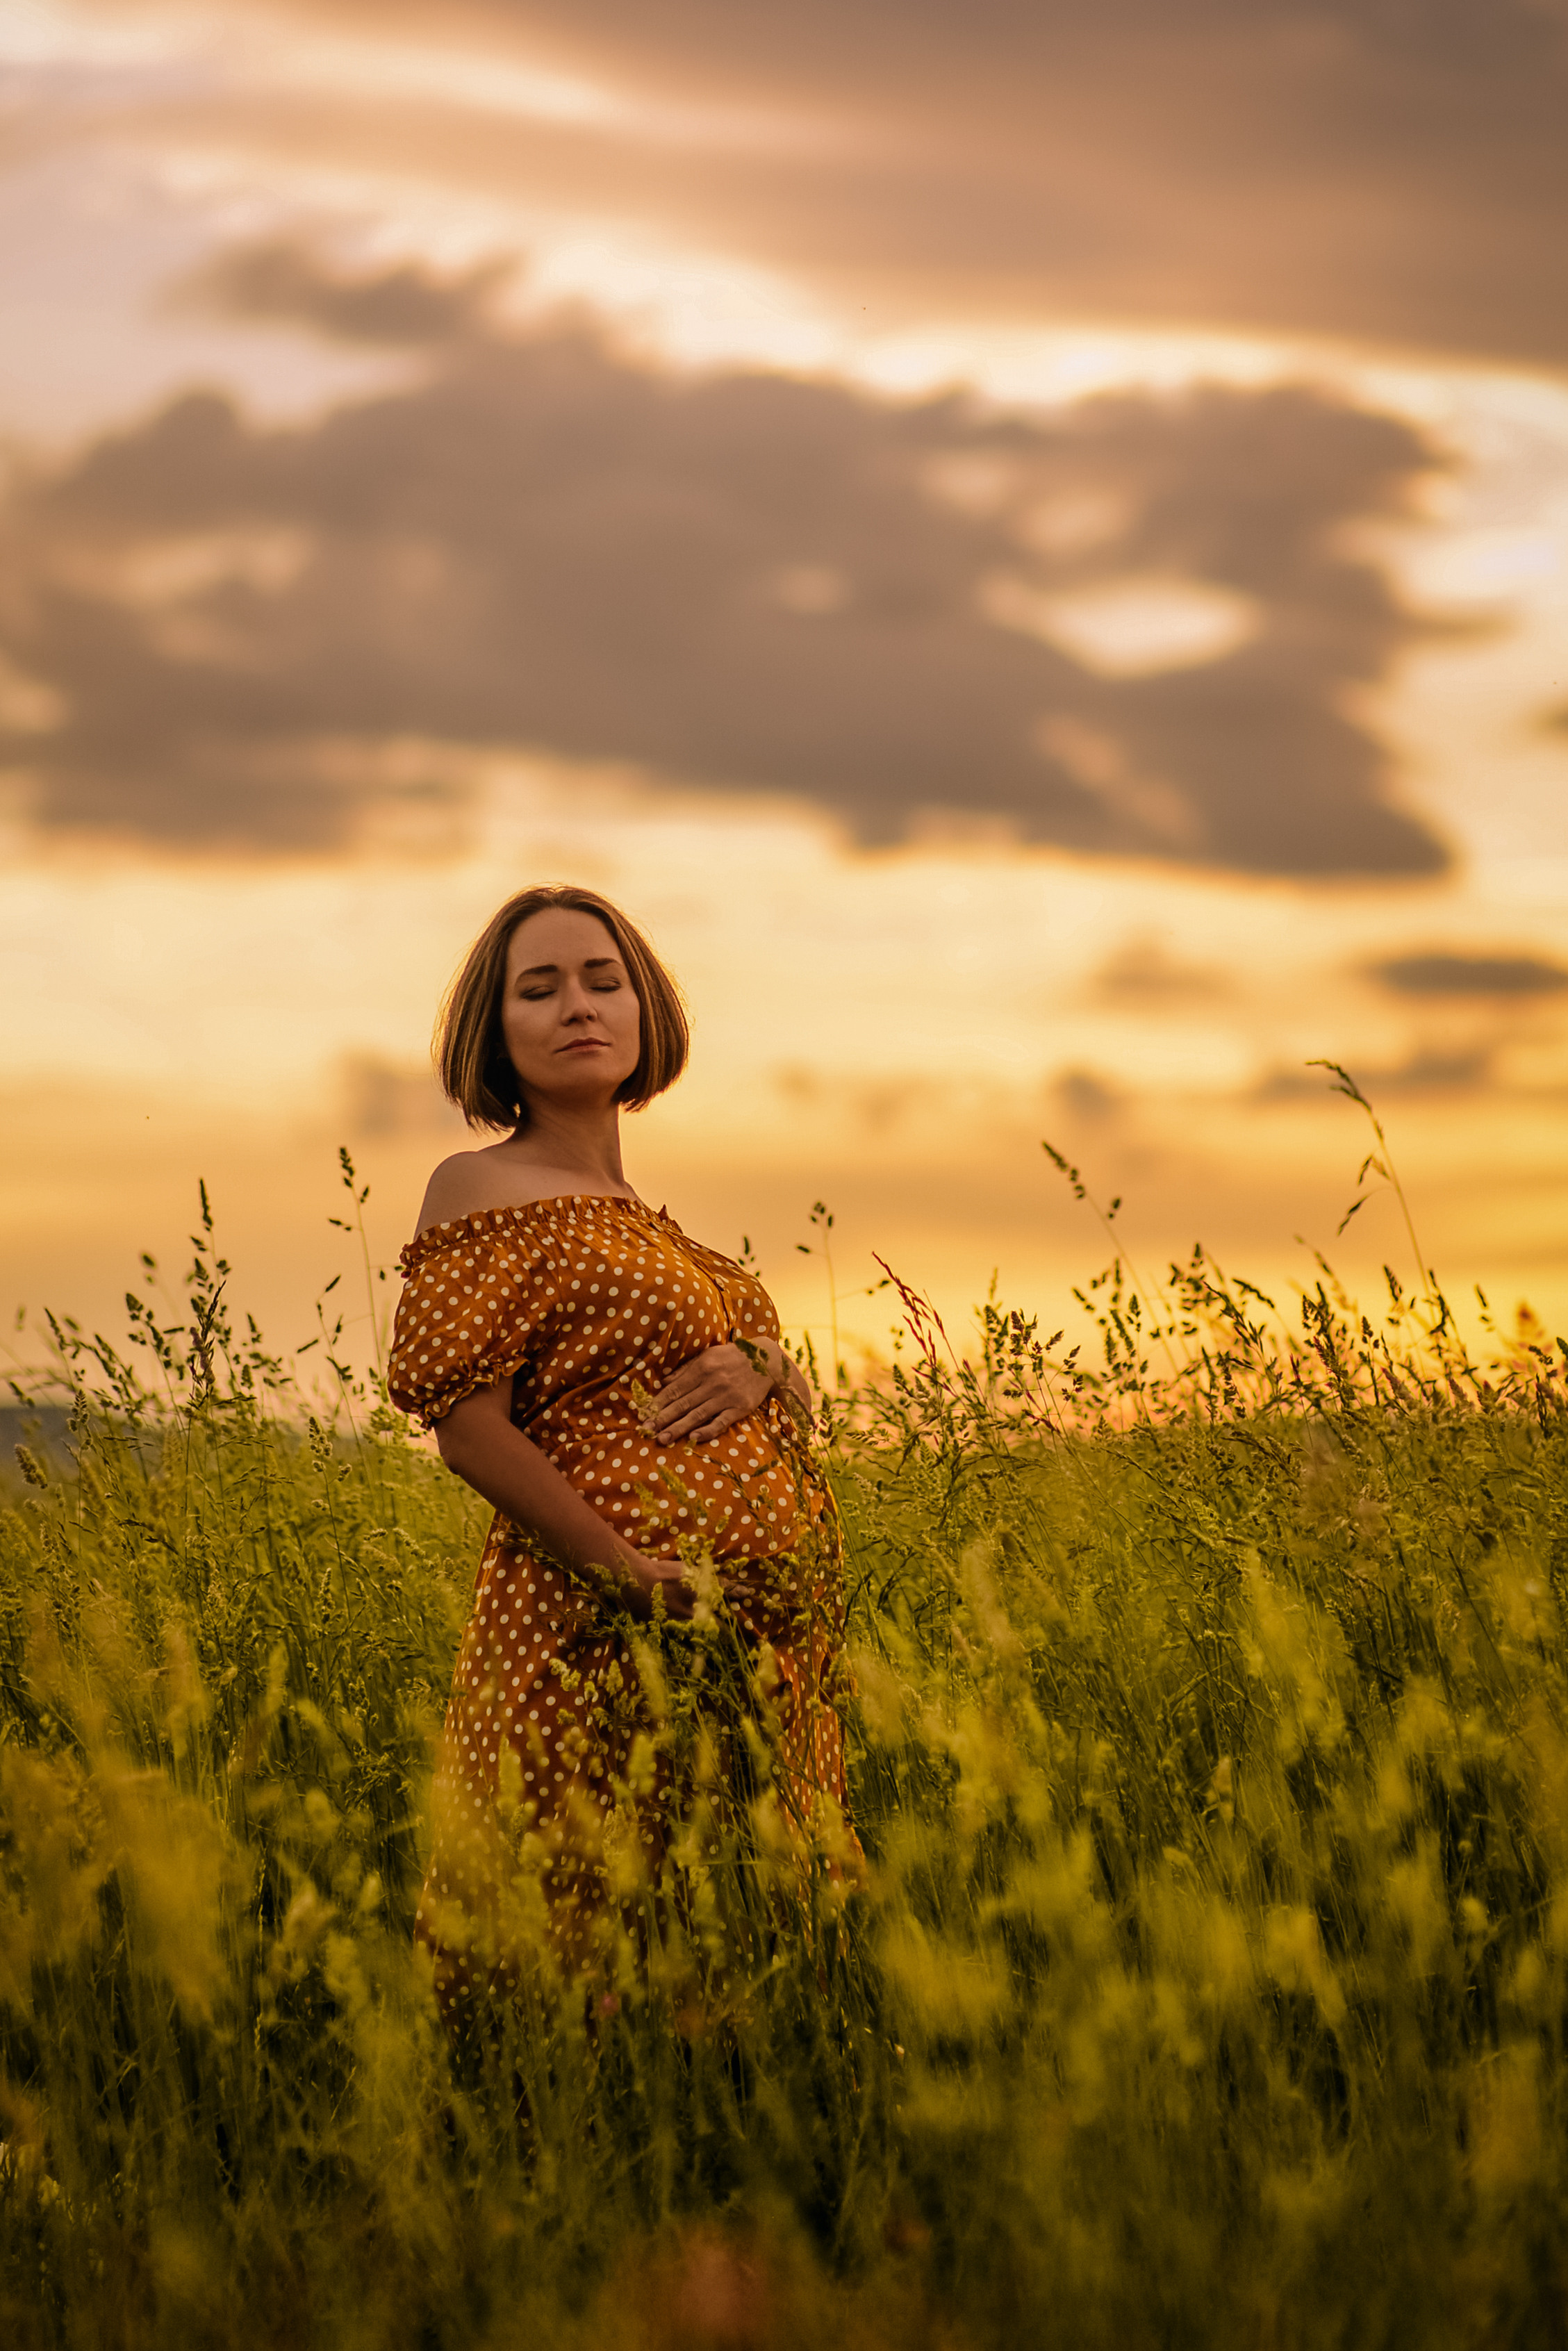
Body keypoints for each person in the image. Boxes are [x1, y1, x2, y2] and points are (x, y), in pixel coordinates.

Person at [387, 884, 857, 2028]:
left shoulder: (646, 1217)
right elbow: (470, 1425)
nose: (577, 1006)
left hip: (744, 1643)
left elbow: (766, 1392)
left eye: (602, 979)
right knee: (586, 1933)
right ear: (493, 1032)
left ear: (646, 1006)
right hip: (595, 1626)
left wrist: (758, 1357)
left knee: (737, 1942)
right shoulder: (481, 1186)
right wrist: (623, 1570)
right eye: (537, 989)